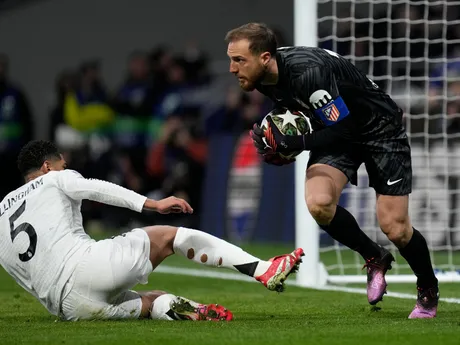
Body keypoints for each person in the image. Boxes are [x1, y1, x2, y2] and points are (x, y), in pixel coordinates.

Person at [224, 22, 439, 319]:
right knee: (319, 204)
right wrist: (279, 140)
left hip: (379, 129)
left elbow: (344, 128)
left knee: (396, 227)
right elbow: (309, 115)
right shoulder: (261, 76)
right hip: (338, 132)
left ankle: (428, 287)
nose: (233, 68)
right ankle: (374, 255)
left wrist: (296, 142)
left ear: (264, 57)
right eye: (231, 60)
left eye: (239, 60)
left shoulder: (307, 72)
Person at [0, 140, 304, 322]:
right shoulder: (55, 179)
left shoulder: (2, 212)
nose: (65, 168)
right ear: (46, 166)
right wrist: (152, 204)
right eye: (62, 164)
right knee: (168, 236)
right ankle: (264, 269)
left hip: (68, 307)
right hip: (85, 268)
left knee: (151, 300)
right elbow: (94, 188)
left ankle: (191, 311)